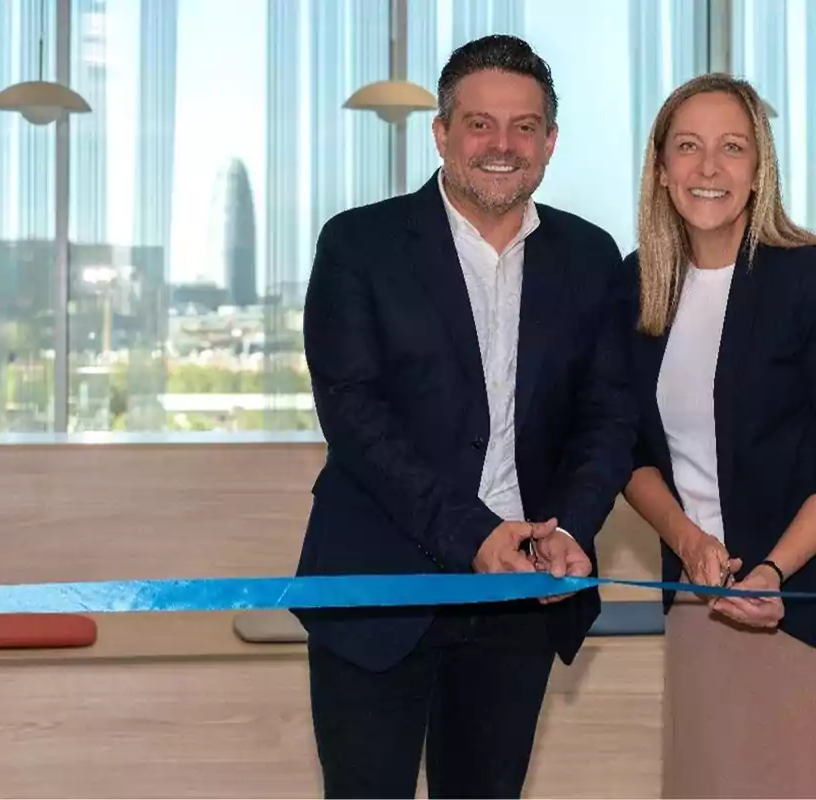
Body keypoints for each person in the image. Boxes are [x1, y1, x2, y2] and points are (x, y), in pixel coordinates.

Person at [295, 34, 637, 799]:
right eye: (480, 123)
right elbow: (353, 414)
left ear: (550, 141)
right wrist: (473, 534)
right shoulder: (358, 244)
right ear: (442, 132)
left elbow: (610, 418)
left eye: (524, 126)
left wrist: (573, 530)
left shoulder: (589, 256)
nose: (502, 145)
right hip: (377, 591)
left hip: (521, 593)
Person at [622, 73, 816, 799]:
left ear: (758, 167)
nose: (709, 168)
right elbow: (629, 453)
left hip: (804, 607)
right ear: (660, 167)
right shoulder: (638, 285)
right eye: (688, 147)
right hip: (698, 603)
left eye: (731, 148)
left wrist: (772, 570)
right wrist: (687, 541)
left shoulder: (812, 280)